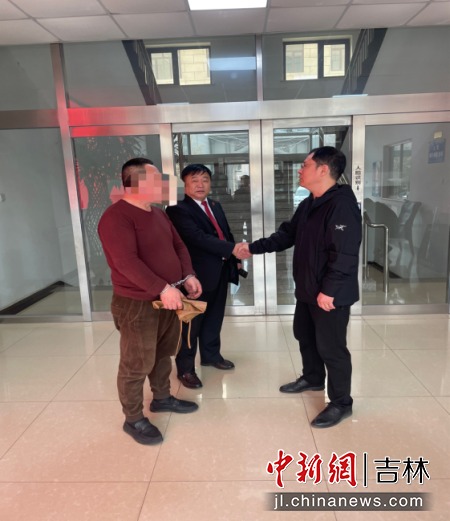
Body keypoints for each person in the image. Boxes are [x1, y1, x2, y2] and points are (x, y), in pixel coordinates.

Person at [237, 147, 361, 428]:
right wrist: (252, 248)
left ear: (323, 170)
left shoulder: (341, 205)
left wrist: (330, 290)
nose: (300, 170)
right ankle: (313, 377)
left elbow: (344, 254)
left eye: (305, 165)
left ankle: (341, 403)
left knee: (332, 348)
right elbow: (286, 235)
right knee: (305, 334)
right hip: (308, 289)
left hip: (329, 294)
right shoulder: (309, 203)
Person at [98, 158, 202, 445]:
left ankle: (162, 398)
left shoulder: (158, 213)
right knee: (136, 362)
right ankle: (133, 419)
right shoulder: (116, 217)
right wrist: (162, 288)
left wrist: (188, 274)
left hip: (168, 298)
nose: (164, 185)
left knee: (162, 353)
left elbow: (178, 245)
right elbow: (126, 262)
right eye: (158, 179)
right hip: (137, 303)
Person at [166, 164, 243, 389]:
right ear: (185, 184)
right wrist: (232, 248)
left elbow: (226, 233)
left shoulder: (215, 205)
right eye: (194, 180)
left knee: (214, 317)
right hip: (195, 276)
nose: (200, 185)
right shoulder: (177, 209)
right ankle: (186, 369)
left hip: (219, 271)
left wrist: (234, 257)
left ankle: (211, 356)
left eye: (205, 180)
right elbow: (196, 237)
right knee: (191, 323)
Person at [233, 174, 252, 242]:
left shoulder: (251, 191)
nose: (245, 182)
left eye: (246, 180)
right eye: (243, 180)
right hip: (241, 213)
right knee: (240, 229)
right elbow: (235, 203)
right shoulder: (238, 192)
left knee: (249, 228)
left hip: (248, 213)